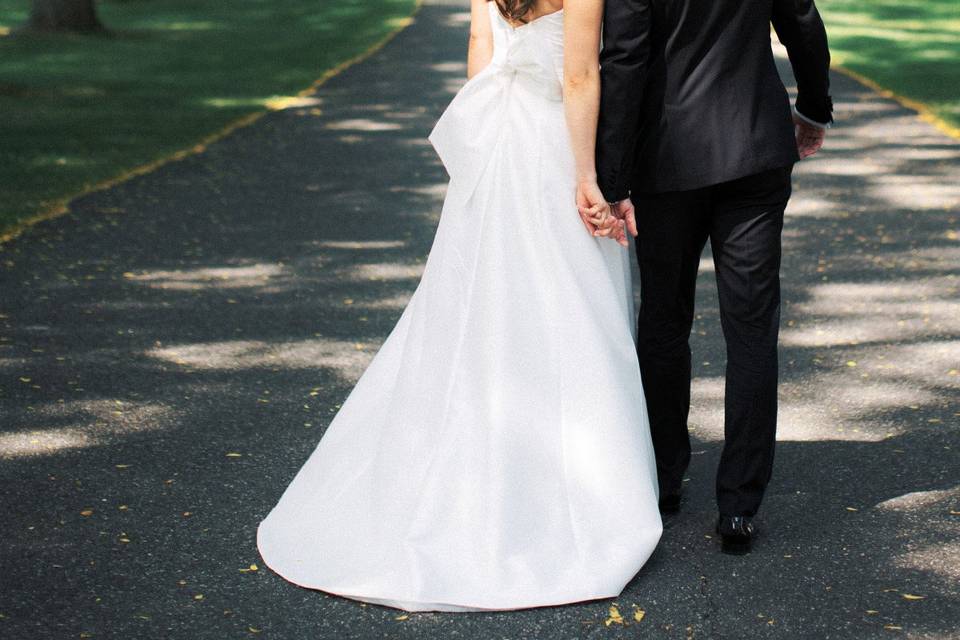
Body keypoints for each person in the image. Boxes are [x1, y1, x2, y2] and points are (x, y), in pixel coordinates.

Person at [257, 0, 662, 612]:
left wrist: (478, 139)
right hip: (553, 144)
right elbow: (579, 75)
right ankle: (572, 487)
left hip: (500, 139)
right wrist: (588, 176)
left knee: (475, 297)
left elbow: (481, 43)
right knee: (567, 303)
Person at [594, 0, 832, 554]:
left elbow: (624, 59)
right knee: (750, 330)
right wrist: (814, 108)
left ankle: (663, 477)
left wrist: (613, 175)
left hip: (665, 156)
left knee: (663, 318)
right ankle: (739, 506)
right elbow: (800, 20)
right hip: (752, 146)